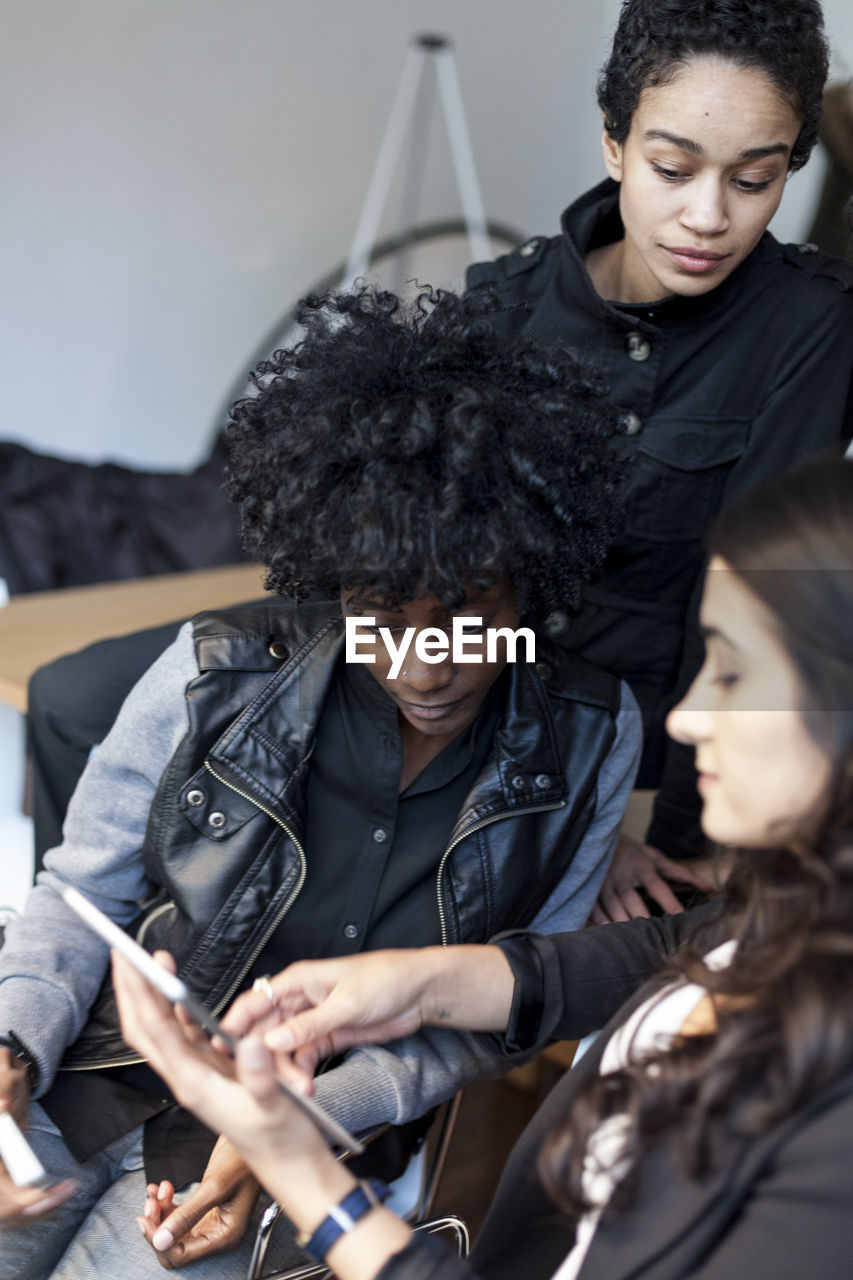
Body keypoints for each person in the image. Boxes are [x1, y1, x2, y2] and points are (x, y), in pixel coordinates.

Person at [25, 0, 853, 921]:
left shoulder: (808, 326)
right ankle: (111, 979)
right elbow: (429, 558)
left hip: (604, 712)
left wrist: (631, 811)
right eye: (671, 168)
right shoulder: (504, 302)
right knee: (68, 697)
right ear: (614, 144)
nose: (706, 217)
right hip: (463, 649)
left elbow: (753, 601)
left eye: (754, 179)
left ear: (790, 168)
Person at [0, 286, 642, 1280]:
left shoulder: (593, 736)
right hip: (90, 1069)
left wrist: (299, 1126)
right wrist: (11, 1046)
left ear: (532, 579)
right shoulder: (215, 671)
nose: (424, 666)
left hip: (289, 1142)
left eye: (467, 614)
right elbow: (80, 899)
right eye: (382, 613)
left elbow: (502, 1010)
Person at [114, 450, 853, 1280]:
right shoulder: (781, 920)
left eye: (735, 672)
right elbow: (630, 958)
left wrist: (297, 1160)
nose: (684, 719)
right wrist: (422, 980)